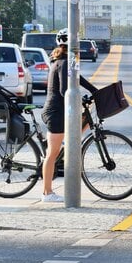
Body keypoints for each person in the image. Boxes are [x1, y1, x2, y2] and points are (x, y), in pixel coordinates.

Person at [40, 28, 101, 203]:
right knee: (52, 153)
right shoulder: (65, 62)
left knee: (82, 124)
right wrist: (79, 100)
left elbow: (78, 79)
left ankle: (69, 142)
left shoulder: (65, 61)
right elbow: (64, 90)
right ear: (72, 45)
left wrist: (94, 91)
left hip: (59, 111)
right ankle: (47, 193)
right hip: (55, 113)